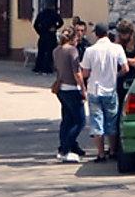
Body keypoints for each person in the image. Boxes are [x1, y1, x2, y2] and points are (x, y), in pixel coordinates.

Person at [79, 24, 128, 162]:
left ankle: (100, 154)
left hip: (94, 89)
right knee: (111, 121)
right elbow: (125, 68)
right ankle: (112, 151)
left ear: (96, 34)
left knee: (96, 122)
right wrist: (115, 75)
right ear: (107, 33)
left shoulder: (90, 50)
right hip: (110, 90)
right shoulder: (117, 48)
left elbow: (85, 72)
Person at [51, 30, 85, 162]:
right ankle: (65, 149)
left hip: (61, 88)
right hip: (72, 88)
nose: (77, 42)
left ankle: (62, 148)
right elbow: (77, 72)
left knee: (66, 119)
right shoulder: (72, 51)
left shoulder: (56, 50)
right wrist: (83, 89)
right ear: (72, 39)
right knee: (80, 121)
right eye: (76, 39)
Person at [32, 4, 62, 75]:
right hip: (51, 36)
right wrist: (55, 27)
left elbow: (35, 25)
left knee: (41, 52)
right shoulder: (54, 14)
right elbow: (61, 22)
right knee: (49, 53)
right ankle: (47, 69)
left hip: (43, 36)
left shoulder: (41, 14)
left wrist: (40, 32)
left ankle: (38, 68)